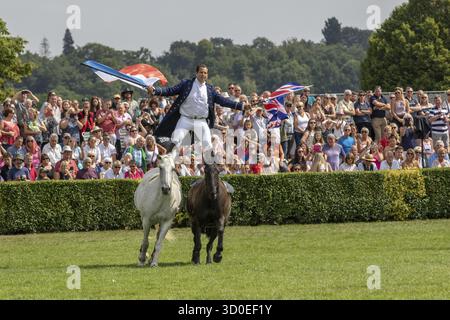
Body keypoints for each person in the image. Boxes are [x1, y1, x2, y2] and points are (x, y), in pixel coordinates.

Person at [147, 64, 247, 161]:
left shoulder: (210, 89)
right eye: (201, 72)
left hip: (201, 121)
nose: (203, 75)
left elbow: (223, 101)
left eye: (205, 73)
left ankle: (211, 172)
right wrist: (155, 90)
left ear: (207, 75)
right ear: (196, 73)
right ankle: (170, 165)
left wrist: (241, 106)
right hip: (185, 119)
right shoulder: (186, 84)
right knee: (175, 141)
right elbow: (170, 90)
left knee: (208, 144)